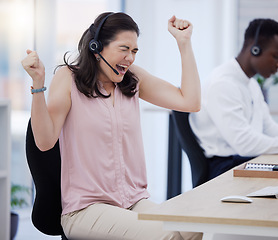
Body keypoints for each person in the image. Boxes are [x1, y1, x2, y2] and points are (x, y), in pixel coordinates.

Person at [22, 12, 202, 240]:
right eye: (124, 49)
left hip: (133, 202)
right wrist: (38, 85)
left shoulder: (132, 79)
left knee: (198, 229)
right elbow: (45, 142)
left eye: (134, 51)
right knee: (169, 236)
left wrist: (183, 43)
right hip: (86, 209)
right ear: (97, 48)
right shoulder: (69, 79)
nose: (130, 58)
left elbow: (190, 102)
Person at [189, 18, 278, 179]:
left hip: (241, 160)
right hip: (224, 168)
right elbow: (244, 143)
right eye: (276, 56)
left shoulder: (250, 83)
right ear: (254, 50)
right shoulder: (222, 84)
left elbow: (268, 128)